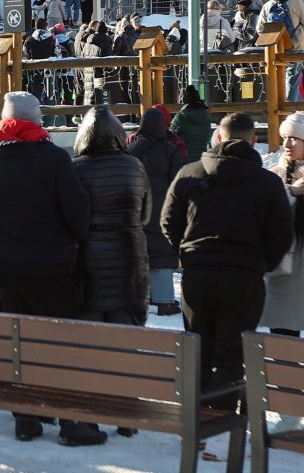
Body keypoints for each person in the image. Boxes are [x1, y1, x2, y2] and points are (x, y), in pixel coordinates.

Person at [0, 91, 99, 446]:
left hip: (8, 262)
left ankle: (26, 416)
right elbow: (77, 214)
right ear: (35, 121)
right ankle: (71, 420)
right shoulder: (53, 159)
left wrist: (5, 233)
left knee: (20, 339)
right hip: (54, 262)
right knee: (61, 341)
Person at [162, 112, 292, 460]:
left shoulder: (189, 174)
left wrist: (188, 254)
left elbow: (168, 223)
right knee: (232, 355)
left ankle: (198, 425)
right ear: (253, 141)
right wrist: (259, 262)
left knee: (198, 349)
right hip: (244, 277)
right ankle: (218, 430)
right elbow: (281, 234)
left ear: (217, 138)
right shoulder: (266, 183)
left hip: (197, 276)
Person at [72, 106, 152, 327]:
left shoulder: (75, 169)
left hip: (88, 260)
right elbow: (145, 215)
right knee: (125, 330)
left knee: (90, 333)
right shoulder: (135, 166)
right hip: (130, 254)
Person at [128, 107, 185, 316]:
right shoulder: (170, 150)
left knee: (137, 255)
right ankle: (163, 300)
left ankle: (141, 295)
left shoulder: (130, 148)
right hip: (161, 211)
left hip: (134, 212)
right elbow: (179, 183)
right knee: (161, 256)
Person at [262, 112, 304, 356]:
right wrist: (290, 193)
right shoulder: (275, 175)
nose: (286, 144)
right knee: (283, 342)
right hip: (284, 272)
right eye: (285, 137)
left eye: (294, 138)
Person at [258, 0, 304, 101]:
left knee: (275, 79)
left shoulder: (268, 5)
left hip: (274, 49)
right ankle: (289, 110)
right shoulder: (297, 2)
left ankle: (275, 107)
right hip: (294, 48)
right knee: (292, 79)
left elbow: (259, 28)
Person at [170, 84, 212, 164]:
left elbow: (170, 135)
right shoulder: (206, 116)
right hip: (201, 161)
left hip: (183, 161)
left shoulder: (181, 117)